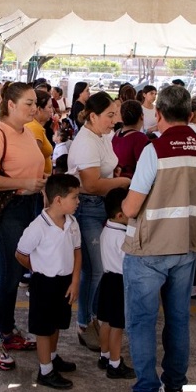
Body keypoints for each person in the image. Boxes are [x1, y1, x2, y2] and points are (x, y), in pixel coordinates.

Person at [119, 85, 196, 392]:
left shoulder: (156, 149)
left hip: (150, 248)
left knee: (142, 322)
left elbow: (131, 206)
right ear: (190, 115)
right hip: (187, 248)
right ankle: (174, 391)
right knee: (178, 320)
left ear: (158, 113)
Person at [0, 82, 46, 371]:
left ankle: (6, 331)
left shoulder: (26, 132)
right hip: (7, 211)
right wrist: (23, 182)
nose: (34, 108)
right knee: (7, 278)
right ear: (11, 105)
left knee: (15, 275)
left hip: (28, 207)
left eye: (35, 103)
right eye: (29, 103)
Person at [67, 92, 130, 352]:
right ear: (93, 116)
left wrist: (112, 174)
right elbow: (91, 185)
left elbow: (103, 171)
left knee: (98, 269)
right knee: (95, 270)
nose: (115, 120)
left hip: (98, 207)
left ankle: (94, 318)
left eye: (116, 115)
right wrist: (122, 182)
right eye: (110, 115)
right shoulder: (86, 142)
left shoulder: (102, 136)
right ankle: (85, 323)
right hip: (88, 207)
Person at [15, 174, 82, 389]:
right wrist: (38, 268)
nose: (78, 201)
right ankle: (45, 371)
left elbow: (77, 251)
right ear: (58, 200)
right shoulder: (38, 227)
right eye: (75, 197)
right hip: (44, 283)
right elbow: (20, 254)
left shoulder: (72, 222)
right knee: (43, 328)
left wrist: (75, 281)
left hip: (64, 281)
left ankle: (52, 358)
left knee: (57, 323)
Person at [96, 187, 134, 379]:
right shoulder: (123, 237)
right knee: (118, 326)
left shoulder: (107, 229)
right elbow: (129, 262)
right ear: (120, 215)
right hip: (119, 283)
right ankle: (115, 364)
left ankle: (104, 356)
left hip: (107, 280)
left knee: (106, 322)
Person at [113, 100, 149, 178]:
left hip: (116, 178)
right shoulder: (140, 138)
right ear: (142, 116)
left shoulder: (116, 133)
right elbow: (145, 167)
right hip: (131, 180)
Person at [26, 89, 55, 175]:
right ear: (38, 109)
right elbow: (32, 161)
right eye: (49, 107)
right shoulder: (35, 128)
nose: (52, 110)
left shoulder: (35, 126)